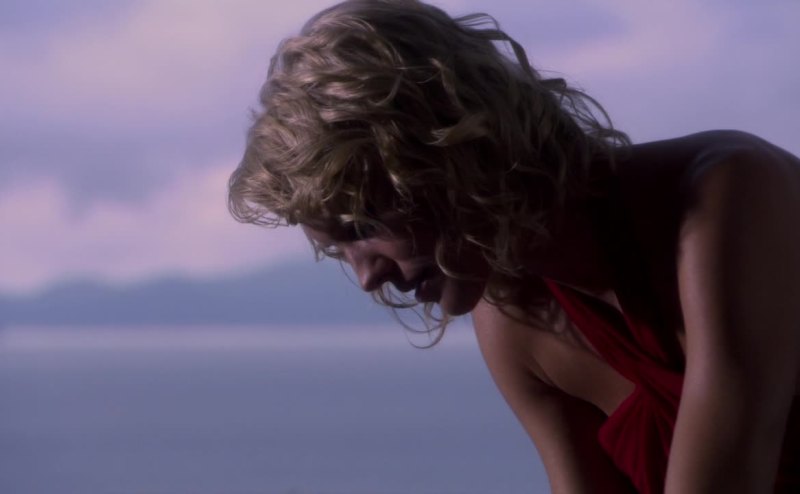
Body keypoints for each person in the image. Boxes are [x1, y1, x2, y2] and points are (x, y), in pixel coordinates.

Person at [227, 1, 800, 492]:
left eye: (361, 226)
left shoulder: (728, 195)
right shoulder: (516, 326)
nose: (367, 277)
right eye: (339, 251)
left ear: (445, 158)